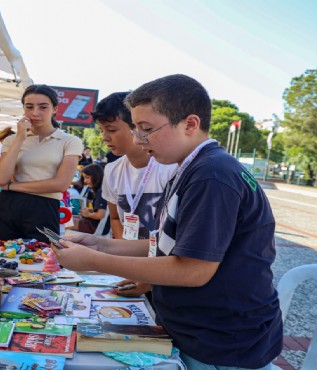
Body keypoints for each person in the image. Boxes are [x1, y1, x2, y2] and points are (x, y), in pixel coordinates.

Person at [54, 74, 282, 370]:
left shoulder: (210, 174)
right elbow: (165, 245)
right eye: (135, 129)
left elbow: (193, 270)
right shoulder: (189, 167)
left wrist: (95, 260)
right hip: (196, 328)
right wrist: (100, 243)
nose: (138, 139)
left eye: (147, 129)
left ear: (190, 124)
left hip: (219, 339)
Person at [0, 84, 83, 242]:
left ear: (55, 109)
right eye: (29, 107)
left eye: (43, 107)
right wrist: (20, 139)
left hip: (45, 208)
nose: (35, 113)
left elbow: (60, 184)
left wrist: (12, 187)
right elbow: (0, 179)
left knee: (41, 261)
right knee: (0, 260)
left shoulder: (69, 141)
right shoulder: (12, 140)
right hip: (8, 206)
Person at [94, 92, 176, 241]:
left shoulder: (171, 168)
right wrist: (124, 251)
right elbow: (115, 218)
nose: (104, 137)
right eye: (101, 130)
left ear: (138, 126)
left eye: (111, 130)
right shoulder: (112, 170)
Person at [72, 164, 107, 234]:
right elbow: (104, 209)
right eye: (84, 178)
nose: (84, 181)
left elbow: (100, 215)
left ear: (96, 177)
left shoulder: (101, 192)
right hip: (94, 224)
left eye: (87, 177)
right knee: (70, 219)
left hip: (95, 227)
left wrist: (88, 214)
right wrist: (91, 210)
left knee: (65, 222)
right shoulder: (101, 190)